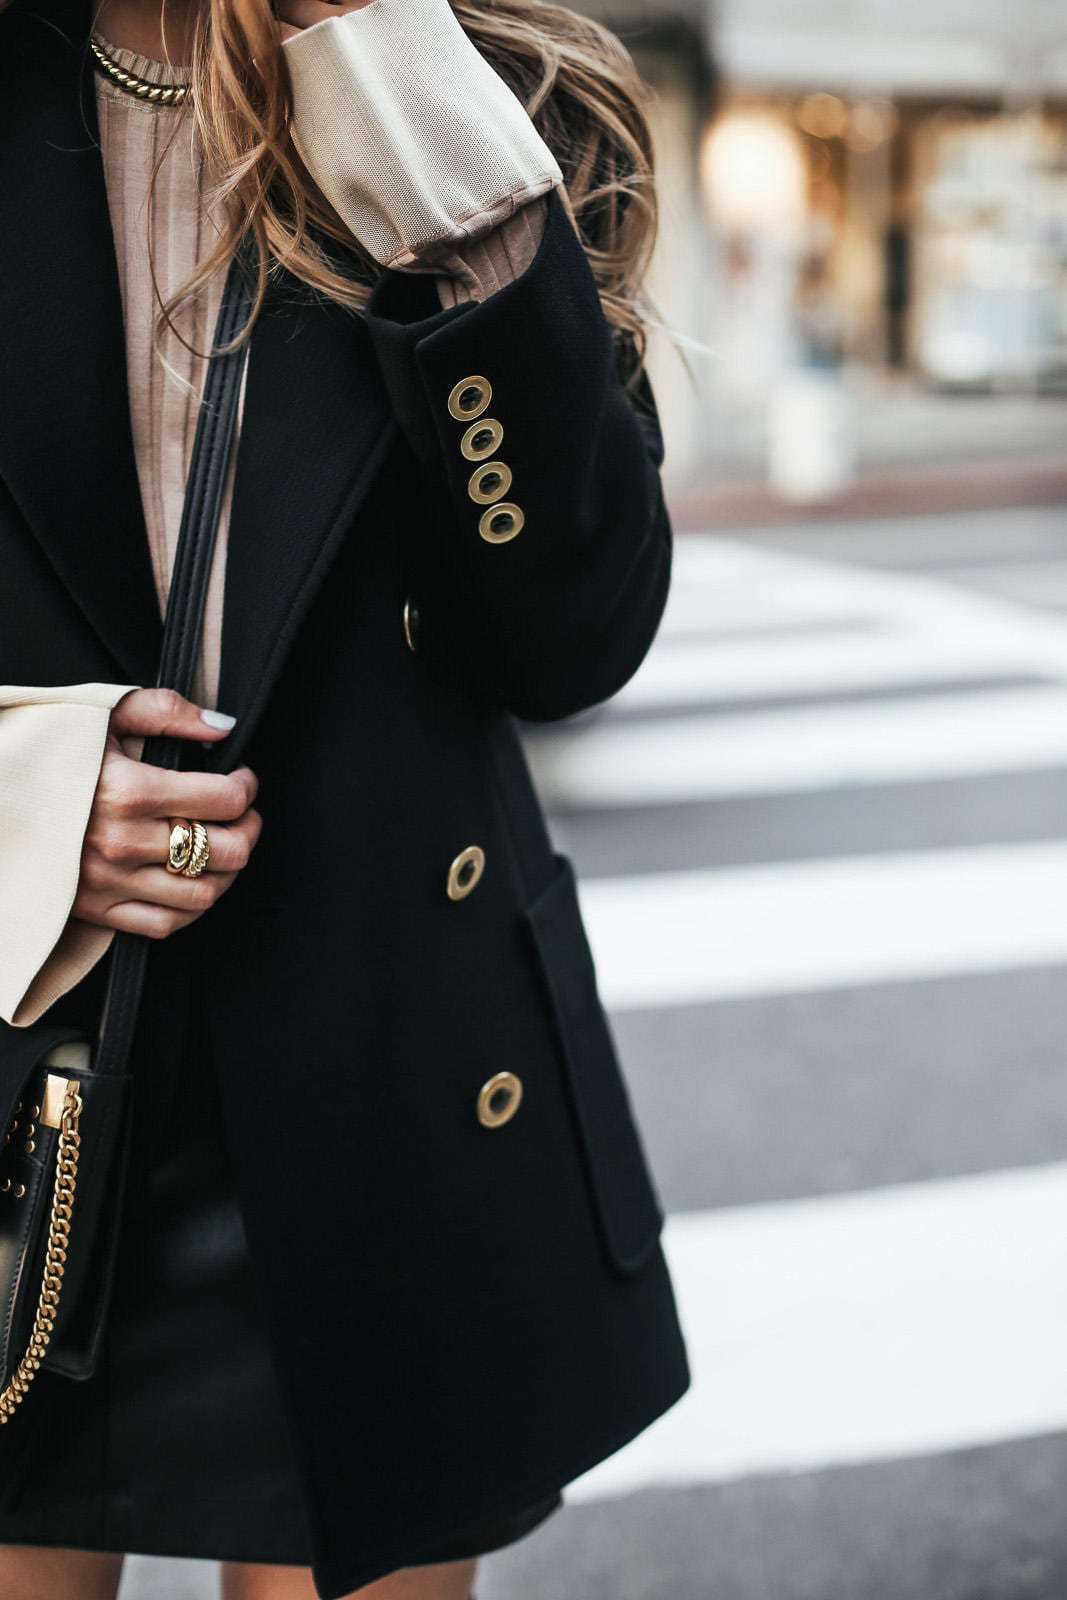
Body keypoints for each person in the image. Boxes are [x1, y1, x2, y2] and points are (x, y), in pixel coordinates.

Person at [0, 0, 691, 1593]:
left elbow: (574, 629)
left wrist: (393, 90)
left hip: (391, 1066)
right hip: (33, 1023)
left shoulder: (483, 84)